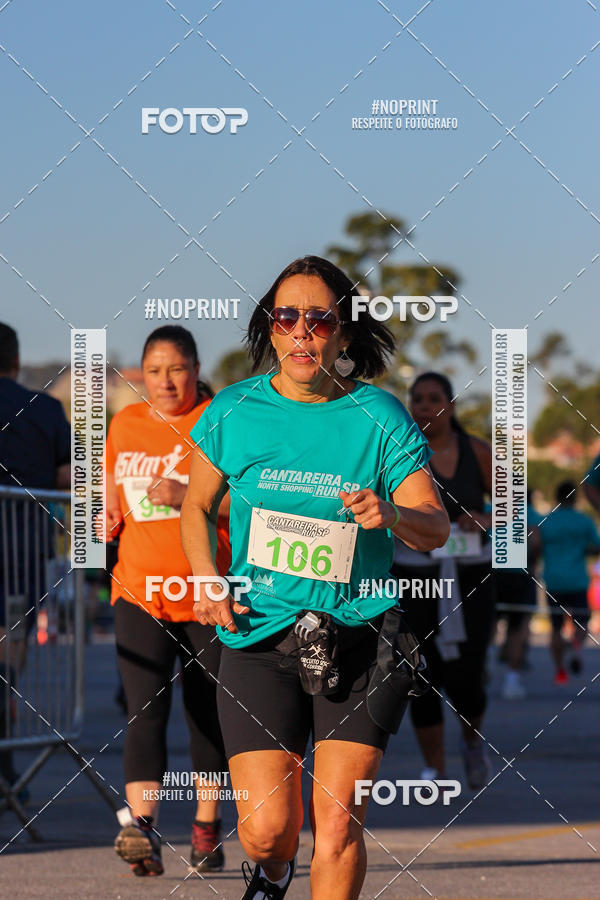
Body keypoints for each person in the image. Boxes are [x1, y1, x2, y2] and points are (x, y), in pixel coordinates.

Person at [181, 256, 450, 900]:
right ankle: (271, 876)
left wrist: (391, 513)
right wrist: (206, 578)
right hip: (257, 635)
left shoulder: (379, 416)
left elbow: (435, 526)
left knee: (336, 825)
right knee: (267, 830)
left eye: (320, 317)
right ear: (271, 331)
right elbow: (195, 506)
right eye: (287, 316)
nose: (303, 330)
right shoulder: (233, 410)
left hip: (361, 634)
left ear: (345, 332)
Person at [105, 325, 231, 877]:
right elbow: (106, 499)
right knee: (145, 713)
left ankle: (206, 829)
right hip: (138, 591)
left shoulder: (222, 423)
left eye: (176, 368)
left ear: (196, 369)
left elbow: (254, 508)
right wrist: (103, 515)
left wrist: (191, 500)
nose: (165, 381)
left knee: (207, 715)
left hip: (205, 593)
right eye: (154, 370)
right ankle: (144, 831)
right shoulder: (125, 423)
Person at [392, 372, 495, 791]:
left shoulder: (479, 451)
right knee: (421, 673)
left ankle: (472, 741)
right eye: (417, 399)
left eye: (434, 398)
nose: (424, 406)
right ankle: (435, 768)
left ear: (451, 405)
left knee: (468, 674)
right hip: (416, 575)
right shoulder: (400, 451)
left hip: (471, 574)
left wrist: (486, 519)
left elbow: (519, 515)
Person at [0, 323, 70, 792]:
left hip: (23, 544)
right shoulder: (44, 408)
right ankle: (5, 762)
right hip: (24, 548)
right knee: (11, 646)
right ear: (17, 360)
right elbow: (69, 480)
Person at [539, 480, 600, 684]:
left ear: (557, 497)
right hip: (577, 581)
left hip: (553, 580)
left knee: (556, 627)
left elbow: (536, 547)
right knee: (582, 622)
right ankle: (576, 647)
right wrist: (582, 549)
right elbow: (597, 546)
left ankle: (560, 671)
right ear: (575, 499)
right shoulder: (584, 521)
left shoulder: (546, 520)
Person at [495, 490, 542, 699]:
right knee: (517, 629)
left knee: (486, 626)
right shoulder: (529, 511)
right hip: (520, 574)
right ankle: (511, 681)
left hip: (493, 573)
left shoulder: (491, 509)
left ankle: (479, 672)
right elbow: (535, 541)